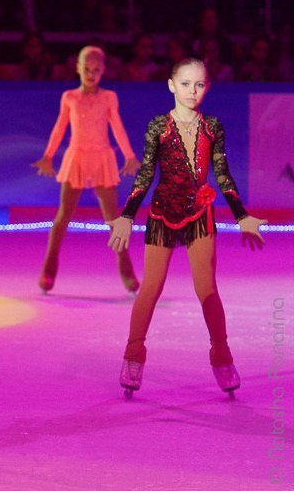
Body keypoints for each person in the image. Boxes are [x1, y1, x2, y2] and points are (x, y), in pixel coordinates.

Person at [107, 58, 266, 398]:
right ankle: (133, 355)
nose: (192, 91)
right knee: (151, 288)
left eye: (199, 84)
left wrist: (241, 216)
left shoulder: (213, 127)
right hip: (162, 213)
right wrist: (127, 215)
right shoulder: (158, 126)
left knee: (207, 289)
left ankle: (222, 357)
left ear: (207, 87)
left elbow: (222, 174)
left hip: (199, 215)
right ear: (171, 85)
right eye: (185, 84)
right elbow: (145, 174)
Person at [33, 46, 140, 293]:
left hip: (102, 157)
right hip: (77, 157)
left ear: (103, 71)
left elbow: (117, 127)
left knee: (113, 219)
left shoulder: (109, 97)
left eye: (96, 70)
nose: (91, 75)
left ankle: (126, 269)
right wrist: (48, 156)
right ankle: (49, 267)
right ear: (78, 69)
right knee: (63, 216)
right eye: (87, 69)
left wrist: (130, 156)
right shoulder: (69, 97)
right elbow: (59, 127)